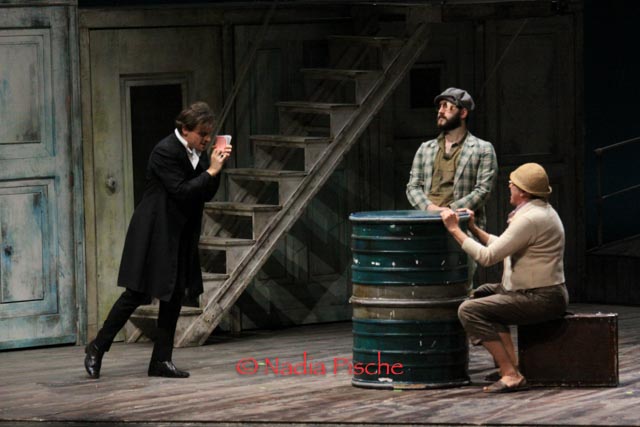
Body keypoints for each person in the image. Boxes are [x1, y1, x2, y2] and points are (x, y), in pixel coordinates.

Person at [84, 101, 232, 379]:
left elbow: (205, 193)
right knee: (136, 293)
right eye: (202, 134)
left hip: (180, 232)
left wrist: (217, 167)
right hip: (155, 231)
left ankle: (161, 360)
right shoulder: (165, 151)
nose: (206, 140)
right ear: (185, 130)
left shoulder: (198, 153)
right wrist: (210, 171)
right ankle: (97, 346)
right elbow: (181, 191)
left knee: (173, 295)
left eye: (209, 134)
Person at [440, 163, 569, 393]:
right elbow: (503, 244)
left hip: (541, 297)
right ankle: (509, 365)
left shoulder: (531, 219)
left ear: (524, 192)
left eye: (513, 183)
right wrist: (473, 228)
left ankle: (511, 374)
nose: (509, 185)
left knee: (470, 310)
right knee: (482, 294)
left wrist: (454, 230)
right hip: (530, 291)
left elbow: (488, 257)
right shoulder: (536, 212)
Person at [406, 87, 497, 230]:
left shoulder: (483, 149)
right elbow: (413, 187)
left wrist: (450, 210)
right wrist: (430, 209)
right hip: (427, 224)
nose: (440, 111)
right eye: (439, 107)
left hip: (463, 226)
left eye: (447, 107)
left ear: (463, 113)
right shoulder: (425, 148)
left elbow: (483, 190)